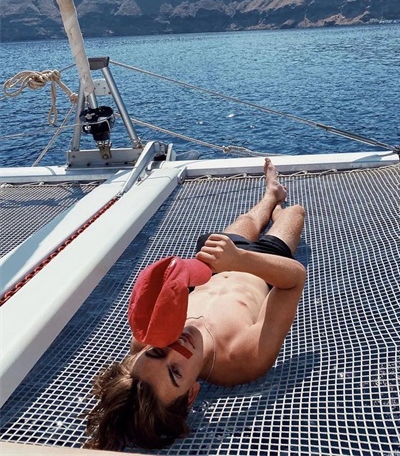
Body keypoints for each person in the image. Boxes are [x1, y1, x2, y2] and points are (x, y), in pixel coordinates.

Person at [84, 158, 306, 451]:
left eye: (157, 352)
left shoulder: (143, 341)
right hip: (262, 266)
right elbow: (293, 280)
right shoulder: (242, 360)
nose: (177, 348)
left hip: (214, 264)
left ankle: (270, 194)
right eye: (175, 372)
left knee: (250, 220)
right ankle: (278, 207)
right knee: (295, 212)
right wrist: (240, 260)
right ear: (191, 395)